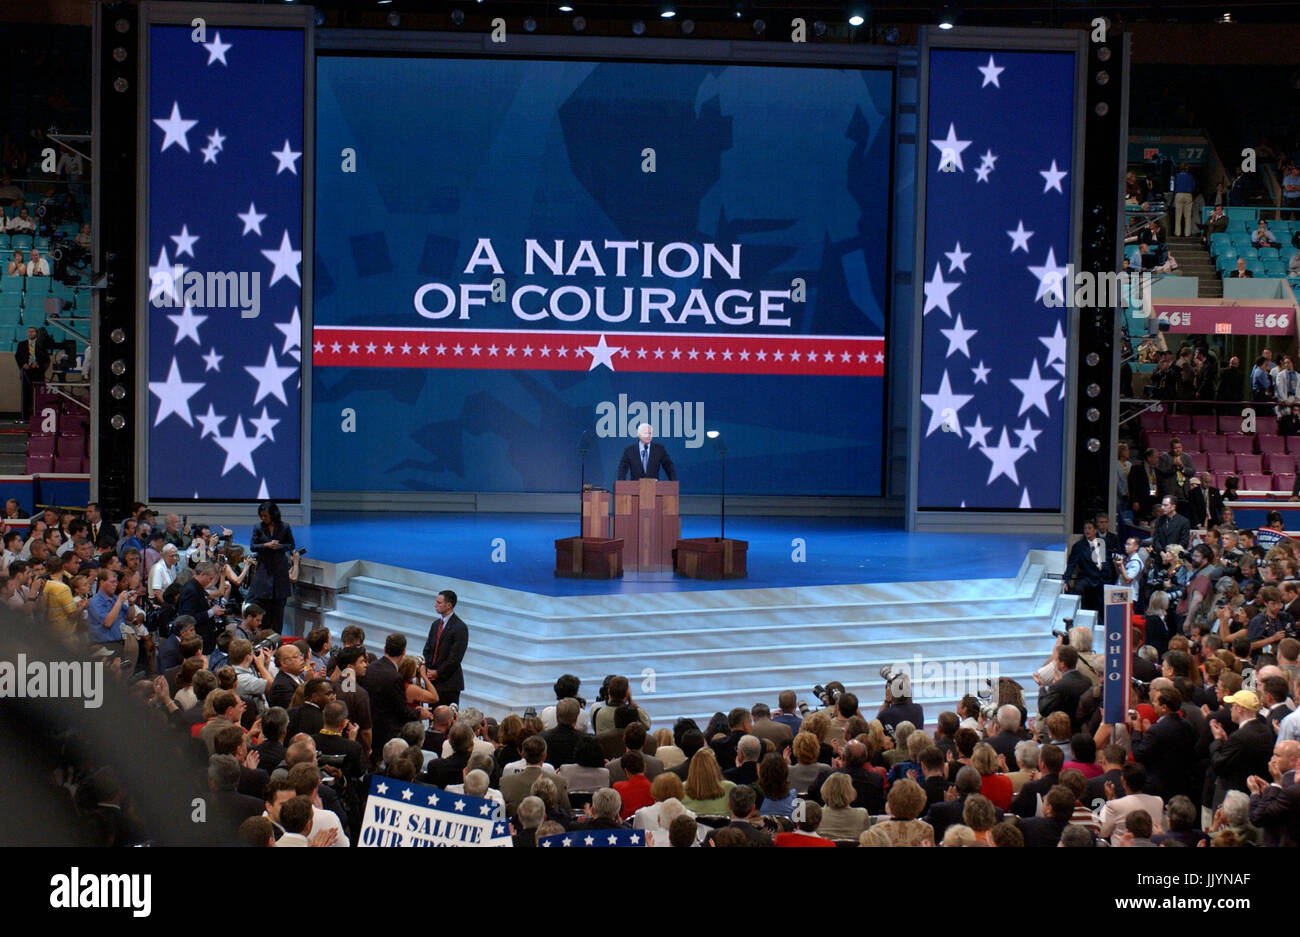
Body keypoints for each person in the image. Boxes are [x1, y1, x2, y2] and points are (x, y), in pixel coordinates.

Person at [249, 501, 295, 634]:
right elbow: (253, 546)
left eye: (265, 516)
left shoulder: (285, 527)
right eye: (261, 516)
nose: (263, 518)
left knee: (278, 617)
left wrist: (280, 546)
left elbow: (291, 544)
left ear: (273, 514)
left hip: (280, 576)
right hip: (264, 575)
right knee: (265, 618)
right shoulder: (258, 527)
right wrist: (266, 545)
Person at [422, 588, 468, 707]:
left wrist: (438, 672)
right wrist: (428, 669)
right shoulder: (435, 624)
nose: (435, 605)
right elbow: (427, 649)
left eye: (439, 602)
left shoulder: (460, 627)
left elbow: (455, 658)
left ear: (449, 605)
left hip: (449, 684)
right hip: (433, 681)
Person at [1064, 520, 1109, 612]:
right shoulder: (1078, 546)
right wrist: (1066, 580)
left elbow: (1106, 564)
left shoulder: (1102, 543)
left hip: (1100, 578)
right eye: (1085, 528)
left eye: (1089, 528)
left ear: (1095, 530)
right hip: (1087, 578)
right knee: (1078, 589)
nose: (1087, 531)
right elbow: (1071, 564)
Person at [14, 326, 48, 423]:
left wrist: (38, 363)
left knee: (38, 394)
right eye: (29, 332)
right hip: (26, 372)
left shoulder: (41, 345)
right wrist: (23, 364)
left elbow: (45, 358)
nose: (30, 333)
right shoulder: (22, 344)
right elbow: (18, 356)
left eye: (32, 332)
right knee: (26, 394)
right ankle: (25, 417)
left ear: (36, 333)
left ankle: (39, 415)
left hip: (37, 372)